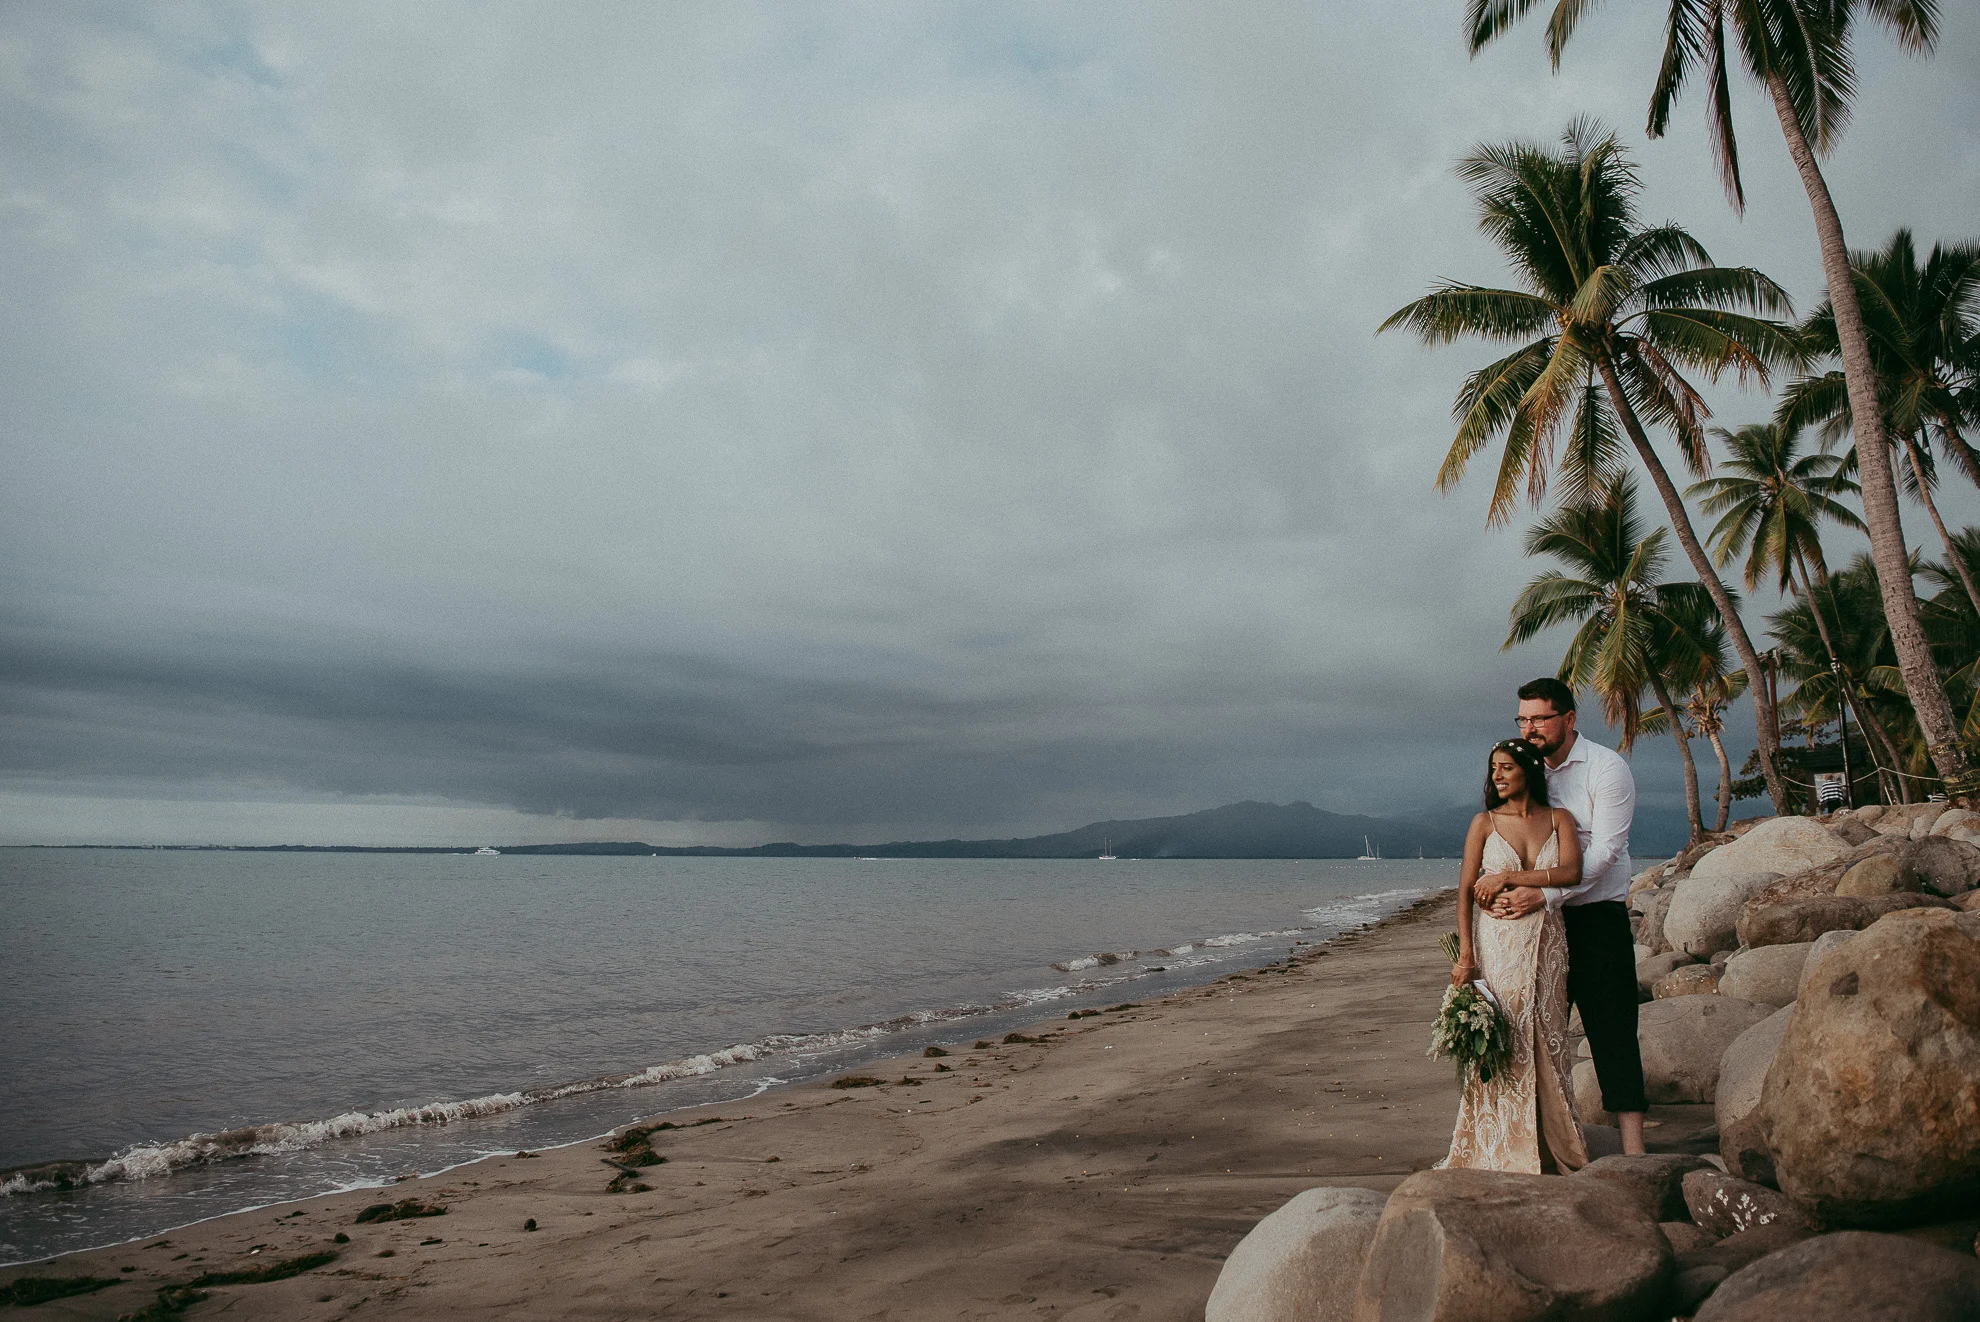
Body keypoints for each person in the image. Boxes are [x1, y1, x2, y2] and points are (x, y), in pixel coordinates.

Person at [1483, 677, 1648, 1156]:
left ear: (1569, 719)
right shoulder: (1524, 772)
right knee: (1529, 1032)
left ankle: (1634, 1151)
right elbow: (1500, 837)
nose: (1529, 727)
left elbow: (1605, 852)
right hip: (1531, 928)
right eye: (1523, 719)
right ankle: (1532, 1142)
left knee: (1613, 1029)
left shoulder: (1606, 768)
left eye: (1539, 718)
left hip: (1597, 917)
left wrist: (1547, 897)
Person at [1441, 738, 1589, 1173]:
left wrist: (1508, 874)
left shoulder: (1560, 818)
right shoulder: (1483, 823)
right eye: (1493, 769)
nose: (1497, 776)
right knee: (1505, 1036)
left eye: (1506, 767)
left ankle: (1551, 1145)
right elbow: (1466, 892)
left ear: (1528, 769)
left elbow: (1572, 871)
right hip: (1499, 942)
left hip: (1547, 941)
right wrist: (1466, 956)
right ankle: (1501, 1145)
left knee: (1549, 1033)